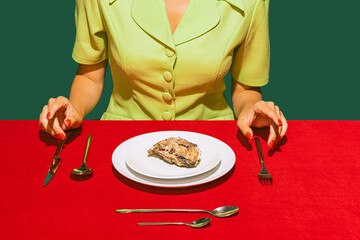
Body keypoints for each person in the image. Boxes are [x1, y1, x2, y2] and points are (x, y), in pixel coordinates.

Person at [39, 0, 288, 150]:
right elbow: (90, 77)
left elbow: (245, 89)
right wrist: (75, 110)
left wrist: (251, 108)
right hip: (123, 141)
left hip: (212, 142)